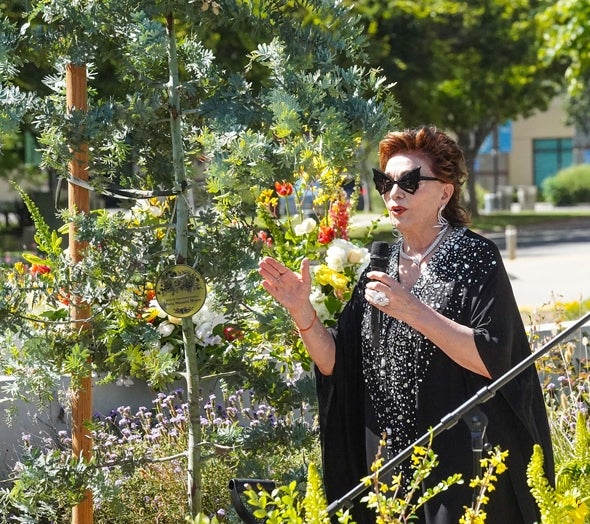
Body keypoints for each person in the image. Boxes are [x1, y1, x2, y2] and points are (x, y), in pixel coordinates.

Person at [258, 125, 554, 523]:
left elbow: (494, 359)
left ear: (445, 192)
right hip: (385, 462)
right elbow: (336, 366)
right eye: (386, 181)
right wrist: (301, 311)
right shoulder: (378, 265)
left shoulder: (475, 257)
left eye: (410, 181)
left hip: (458, 460)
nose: (394, 193)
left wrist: (412, 309)